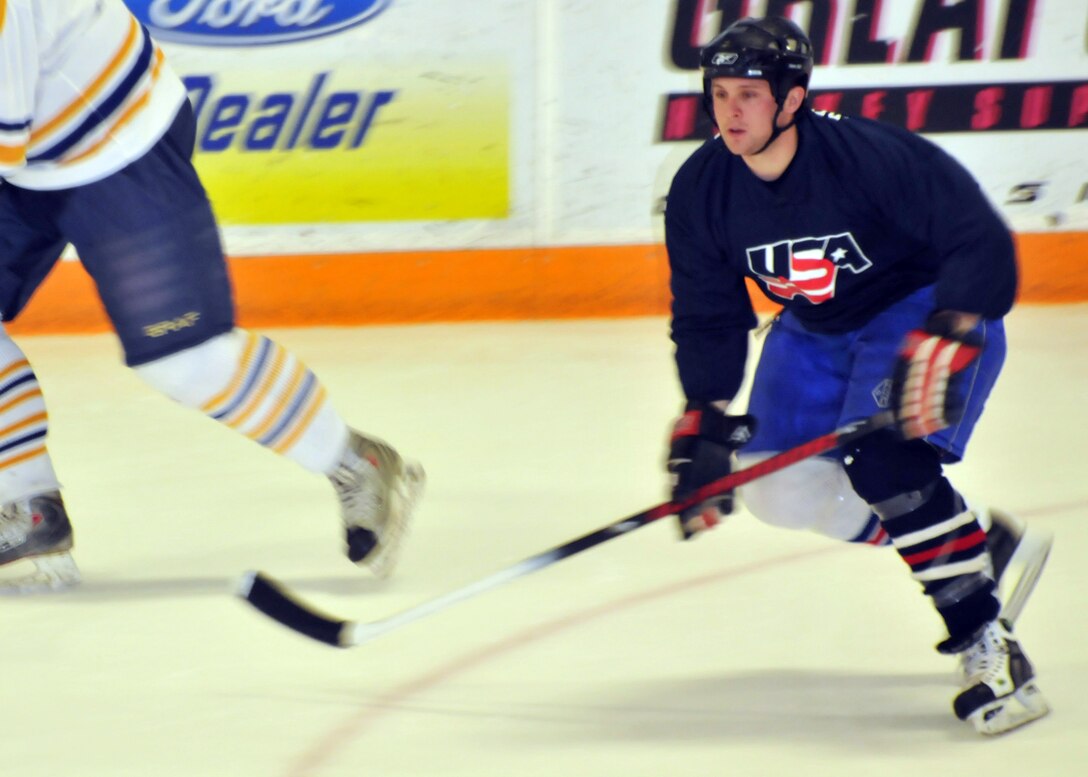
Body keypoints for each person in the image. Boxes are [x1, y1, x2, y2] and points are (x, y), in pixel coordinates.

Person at [663, 15, 1052, 735]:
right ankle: (970, 545)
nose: (731, 111)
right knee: (775, 486)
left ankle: (985, 640)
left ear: (792, 98)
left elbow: (976, 234)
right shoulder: (701, 189)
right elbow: (708, 312)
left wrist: (956, 330)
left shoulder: (867, 156)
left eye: (749, 94)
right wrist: (705, 412)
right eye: (719, 94)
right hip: (813, 325)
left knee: (889, 468)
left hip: (922, 307)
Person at [0, 0, 424, 591]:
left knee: (186, 362)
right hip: (29, 152)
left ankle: (360, 465)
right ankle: (26, 508)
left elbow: (4, 135)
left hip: (116, 143)